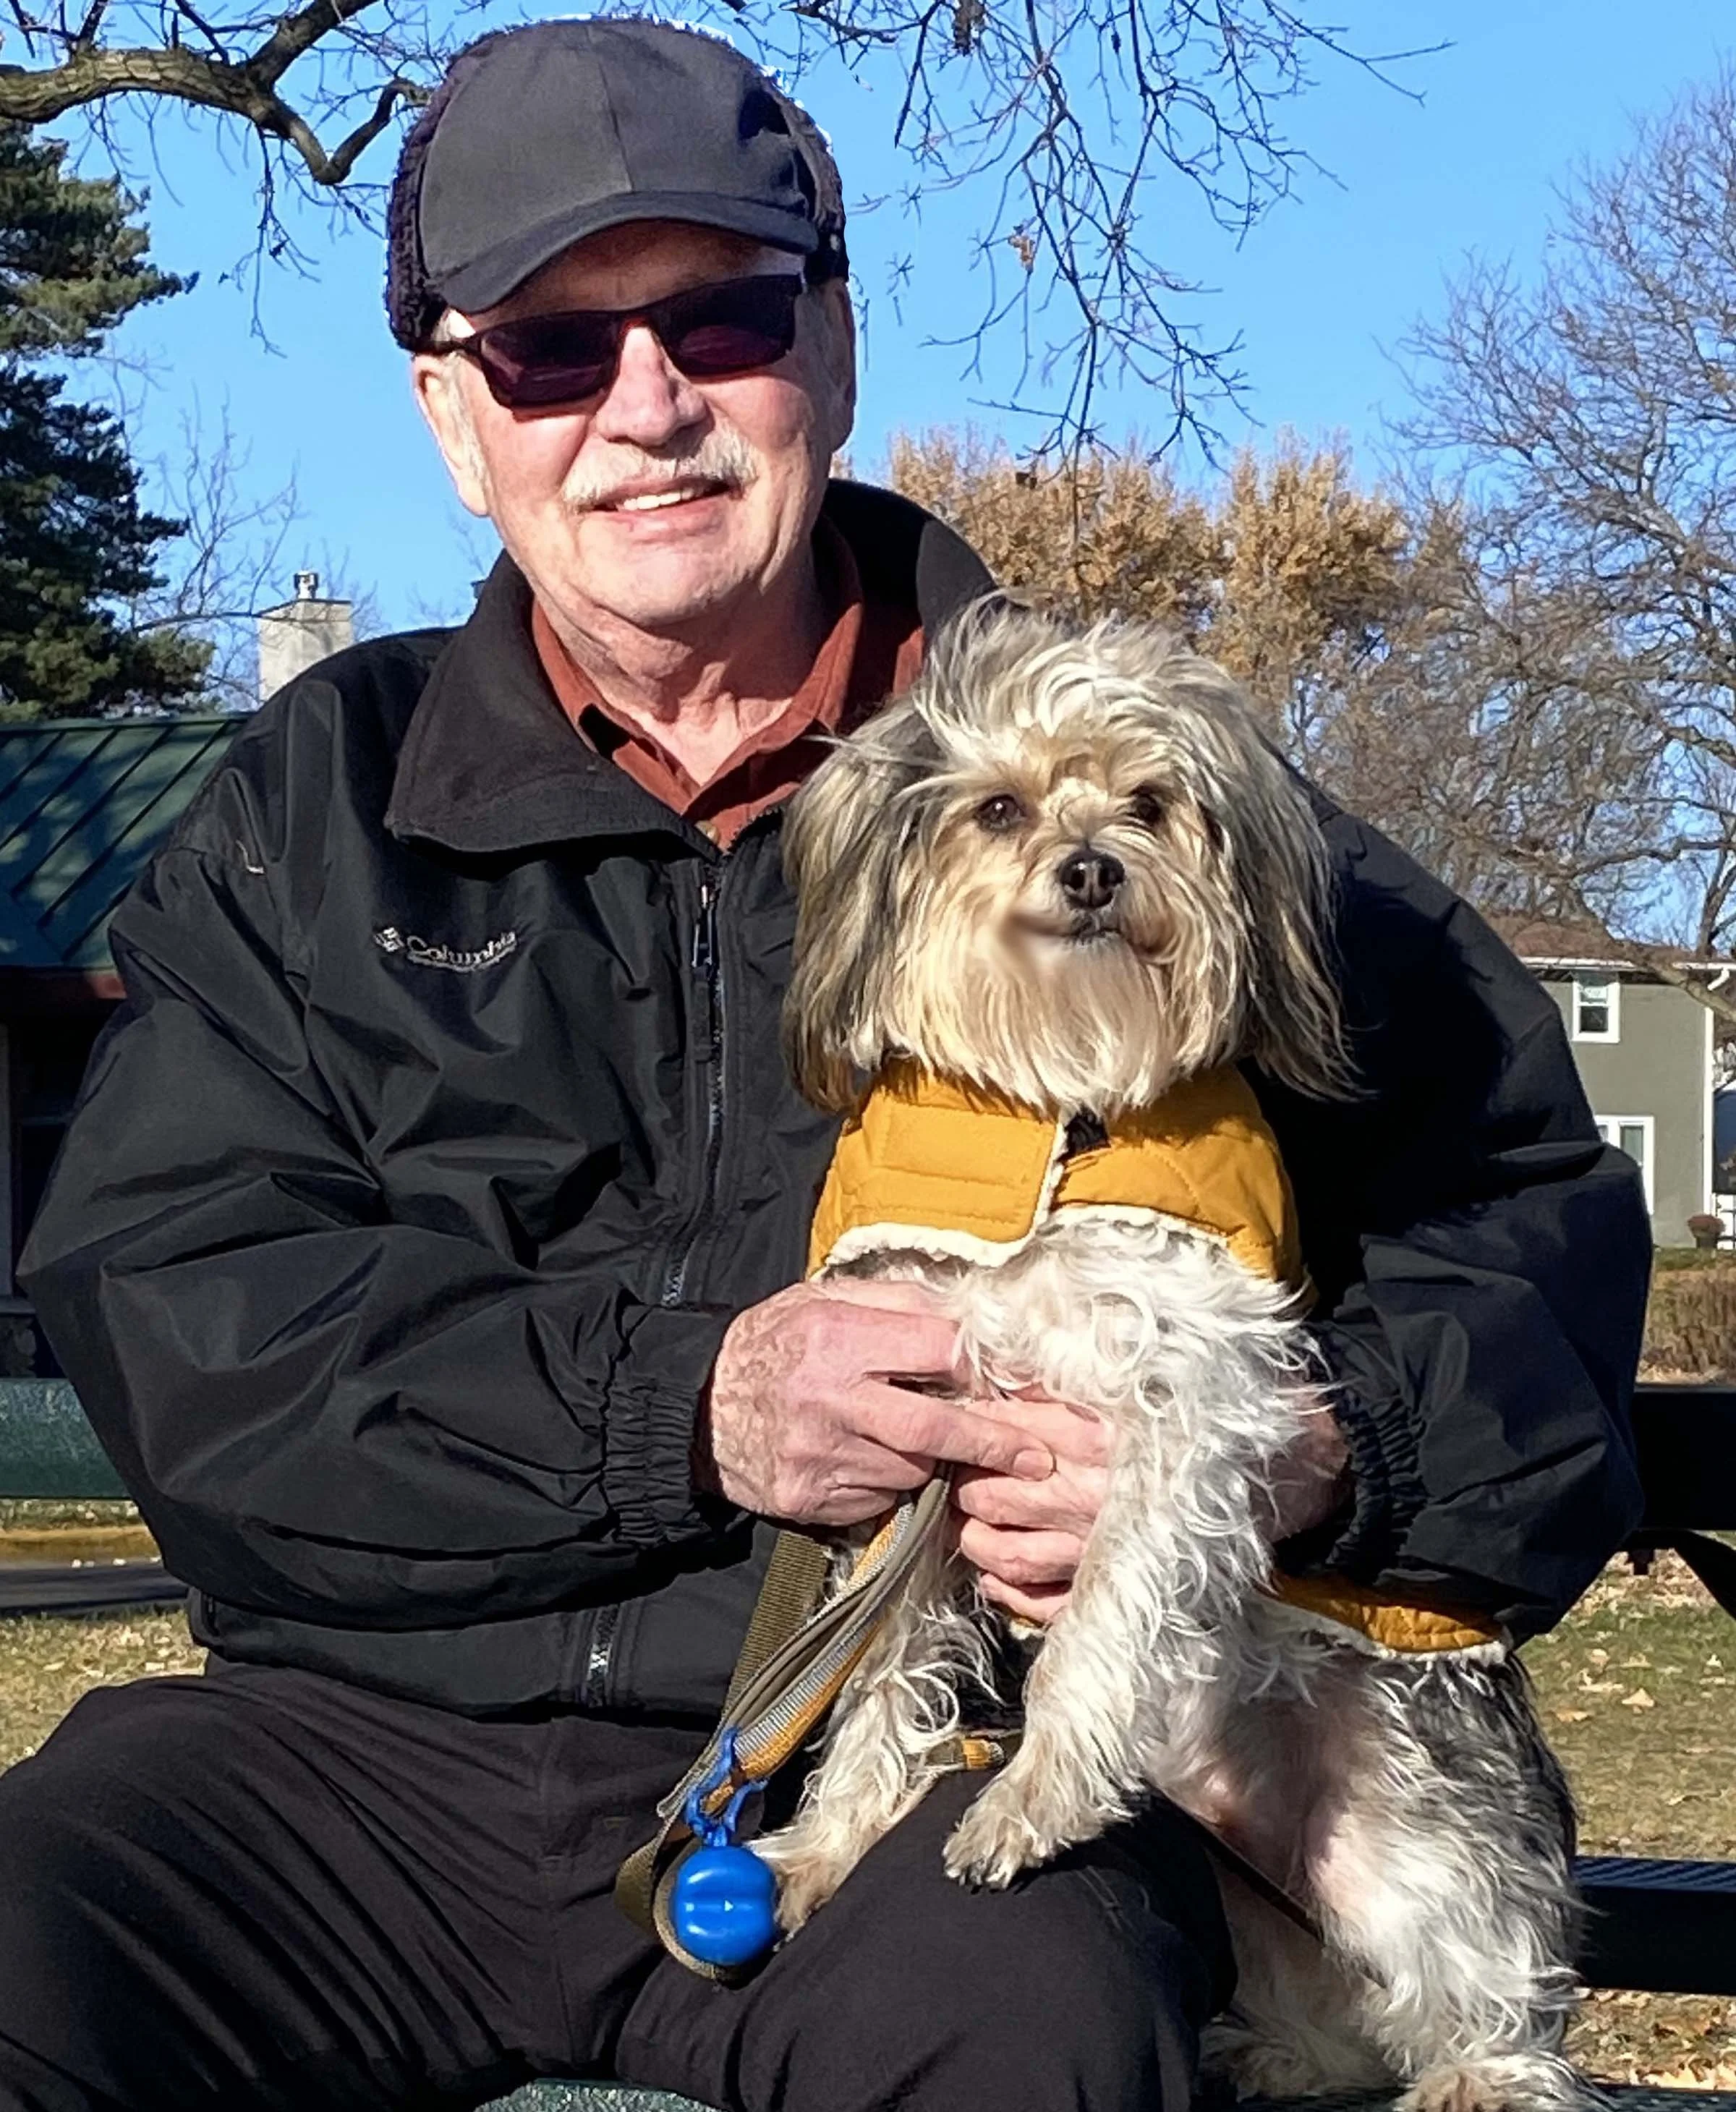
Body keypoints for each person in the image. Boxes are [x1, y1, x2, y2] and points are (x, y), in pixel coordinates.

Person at [4, 19, 1650, 2112]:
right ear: (449, 415)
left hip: (922, 1771)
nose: (649, 407)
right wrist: (674, 1404)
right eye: (549, 355)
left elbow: (1538, 1249)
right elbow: (179, 1322)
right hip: (351, 1757)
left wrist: (1339, 1451)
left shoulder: (1138, 784)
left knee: (1033, 2023)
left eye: (722, 317)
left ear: (838, 341)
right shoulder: (317, 808)